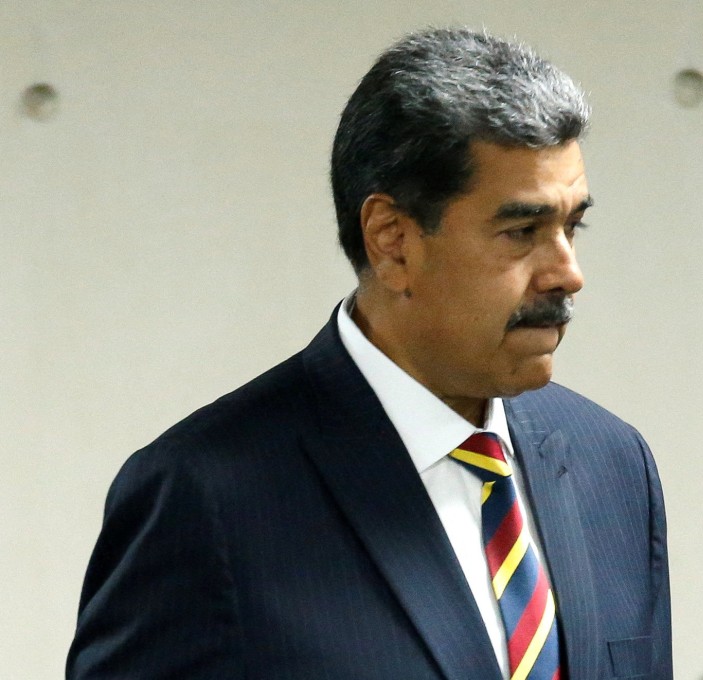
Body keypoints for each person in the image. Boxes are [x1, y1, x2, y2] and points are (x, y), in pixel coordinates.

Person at [67, 27, 671, 679]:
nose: (567, 272)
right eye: (522, 231)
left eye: (572, 226)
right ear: (392, 240)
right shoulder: (205, 495)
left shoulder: (614, 465)